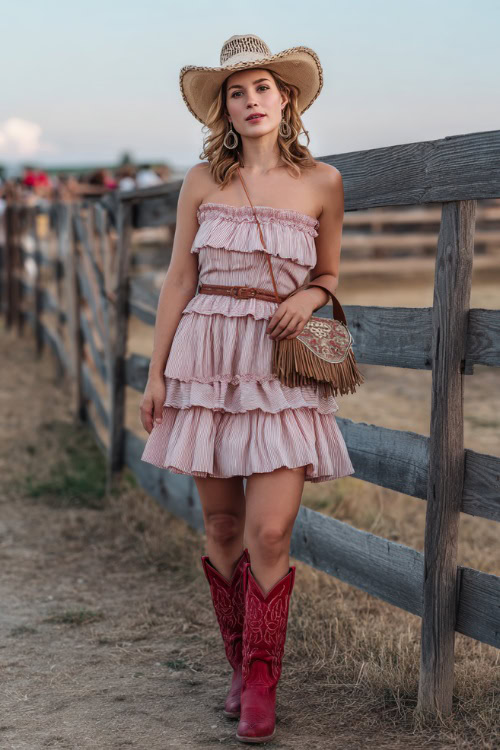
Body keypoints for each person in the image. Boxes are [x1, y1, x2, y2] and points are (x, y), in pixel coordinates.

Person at [139, 33, 355, 744]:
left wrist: (313, 297)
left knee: (270, 529)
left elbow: (328, 273)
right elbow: (179, 277)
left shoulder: (323, 181)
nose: (251, 100)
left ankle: (264, 680)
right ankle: (237, 665)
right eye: (237, 91)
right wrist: (157, 370)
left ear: (286, 98)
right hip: (205, 360)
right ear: (223, 110)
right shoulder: (203, 181)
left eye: (262, 87)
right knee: (225, 527)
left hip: (278, 365)